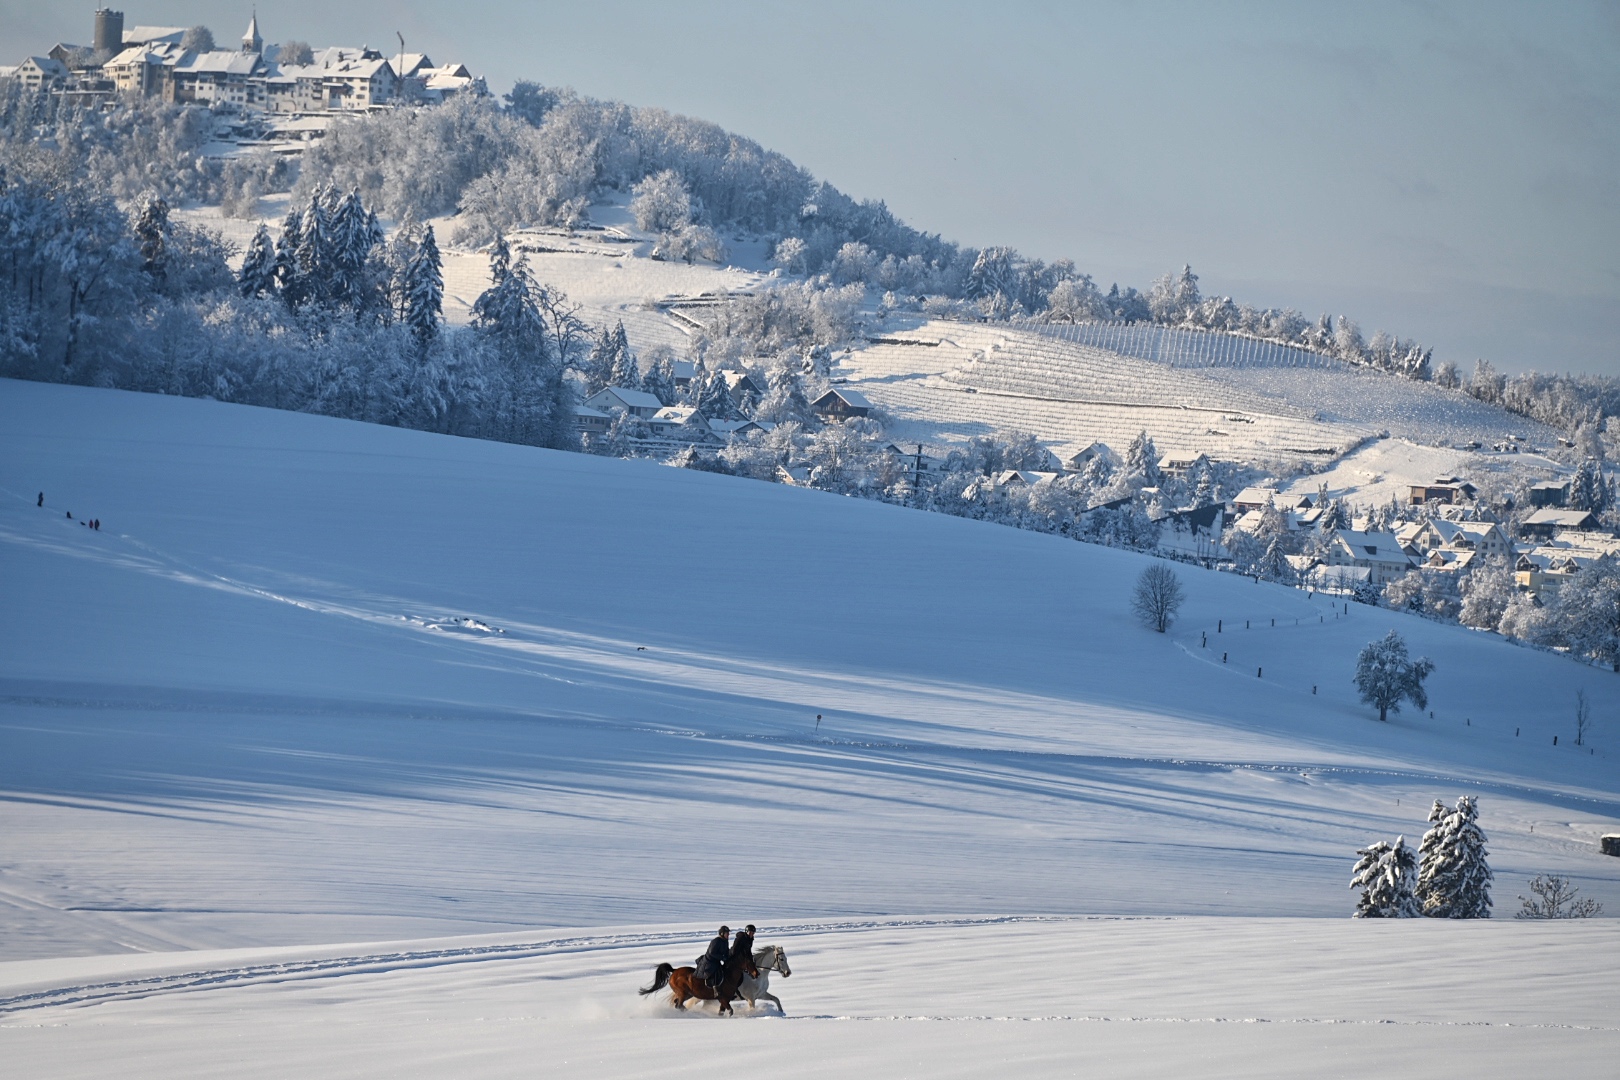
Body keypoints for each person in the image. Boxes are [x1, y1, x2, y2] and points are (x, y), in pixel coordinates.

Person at [695, 925, 730, 991]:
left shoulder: (725, 941)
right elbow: (712, 953)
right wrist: (722, 958)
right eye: (727, 933)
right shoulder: (716, 941)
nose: (728, 935)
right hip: (709, 962)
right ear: (722, 933)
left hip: (716, 961)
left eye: (728, 933)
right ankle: (715, 988)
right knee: (715, 973)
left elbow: (726, 951)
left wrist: (728, 957)